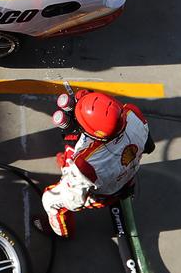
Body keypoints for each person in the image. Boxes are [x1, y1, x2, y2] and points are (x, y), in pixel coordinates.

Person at [39, 89, 155, 238]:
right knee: (73, 154)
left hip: (105, 194)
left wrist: (70, 160)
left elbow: (74, 202)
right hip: (129, 175)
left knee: (49, 200)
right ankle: (128, 190)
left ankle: (62, 232)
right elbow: (149, 147)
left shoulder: (84, 165)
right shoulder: (134, 113)